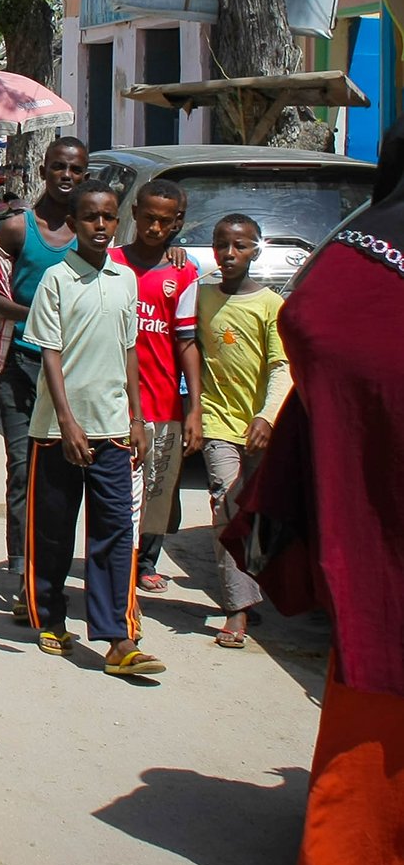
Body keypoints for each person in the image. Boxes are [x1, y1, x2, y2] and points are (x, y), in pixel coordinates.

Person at [225, 122, 404, 865]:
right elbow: (319, 326)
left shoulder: (362, 243)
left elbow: (314, 326)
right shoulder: (373, 250)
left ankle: (360, 862)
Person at [22, 180, 162, 676]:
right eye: (90, 218)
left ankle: (117, 637)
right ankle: (50, 617)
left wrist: (137, 417)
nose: (100, 226)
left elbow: (130, 351)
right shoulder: (57, 280)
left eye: (107, 217)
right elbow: (50, 353)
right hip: (60, 430)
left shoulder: (125, 280)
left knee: (115, 531)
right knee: (55, 531)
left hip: (114, 426)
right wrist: (66, 421)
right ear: (74, 224)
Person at [174, 213, 290, 648]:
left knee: (258, 512)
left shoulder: (269, 306)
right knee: (226, 501)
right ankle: (237, 608)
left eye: (240, 246)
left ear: (255, 250)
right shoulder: (201, 295)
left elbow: (282, 368)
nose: (229, 254)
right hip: (217, 419)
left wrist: (267, 416)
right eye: (222, 245)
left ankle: (255, 584)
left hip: (260, 425)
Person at [0, 136, 87, 609]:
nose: (67, 176)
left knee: (62, 476)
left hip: (74, 372)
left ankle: (51, 571)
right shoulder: (15, 230)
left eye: (76, 170)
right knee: (23, 469)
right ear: (44, 171)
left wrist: (174, 255)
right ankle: (22, 572)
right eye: (60, 167)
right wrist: (37, 315)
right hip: (21, 367)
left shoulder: (92, 233)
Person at [110, 180, 201, 595]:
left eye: (165, 221)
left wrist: (194, 406)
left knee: (157, 487)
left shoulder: (183, 273)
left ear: (177, 223)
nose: (155, 227)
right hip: (113, 400)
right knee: (117, 489)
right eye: (148, 218)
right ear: (135, 215)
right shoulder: (109, 262)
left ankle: (146, 561)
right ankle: (116, 558)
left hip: (163, 399)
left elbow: (186, 341)